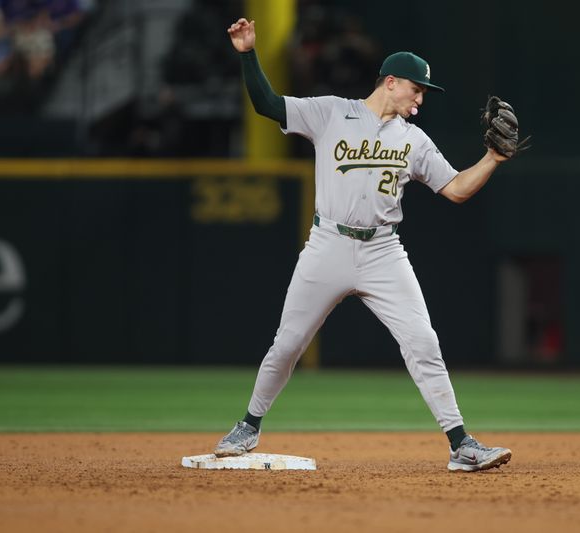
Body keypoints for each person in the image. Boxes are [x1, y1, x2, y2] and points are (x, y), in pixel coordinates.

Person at [216, 17, 516, 472]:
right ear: (390, 82)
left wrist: (492, 159)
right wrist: (247, 54)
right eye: (416, 89)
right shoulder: (332, 112)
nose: (420, 99)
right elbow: (266, 104)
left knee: (423, 341)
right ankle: (248, 426)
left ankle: (461, 444)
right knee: (288, 343)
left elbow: (455, 189)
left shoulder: (413, 140)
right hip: (328, 244)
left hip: (382, 252)